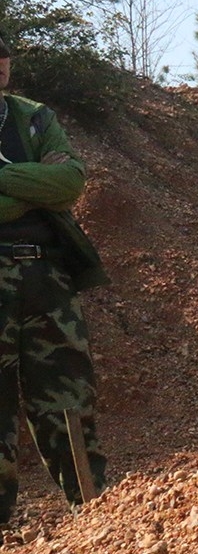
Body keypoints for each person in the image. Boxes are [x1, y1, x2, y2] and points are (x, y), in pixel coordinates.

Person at [0, 34, 109, 522]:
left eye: (2, 56)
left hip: (47, 275)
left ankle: (92, 516)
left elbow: (68, 185)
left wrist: (6, 179)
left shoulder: (34, 115)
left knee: (68, 396)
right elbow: (49, 186)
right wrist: (33, 183)